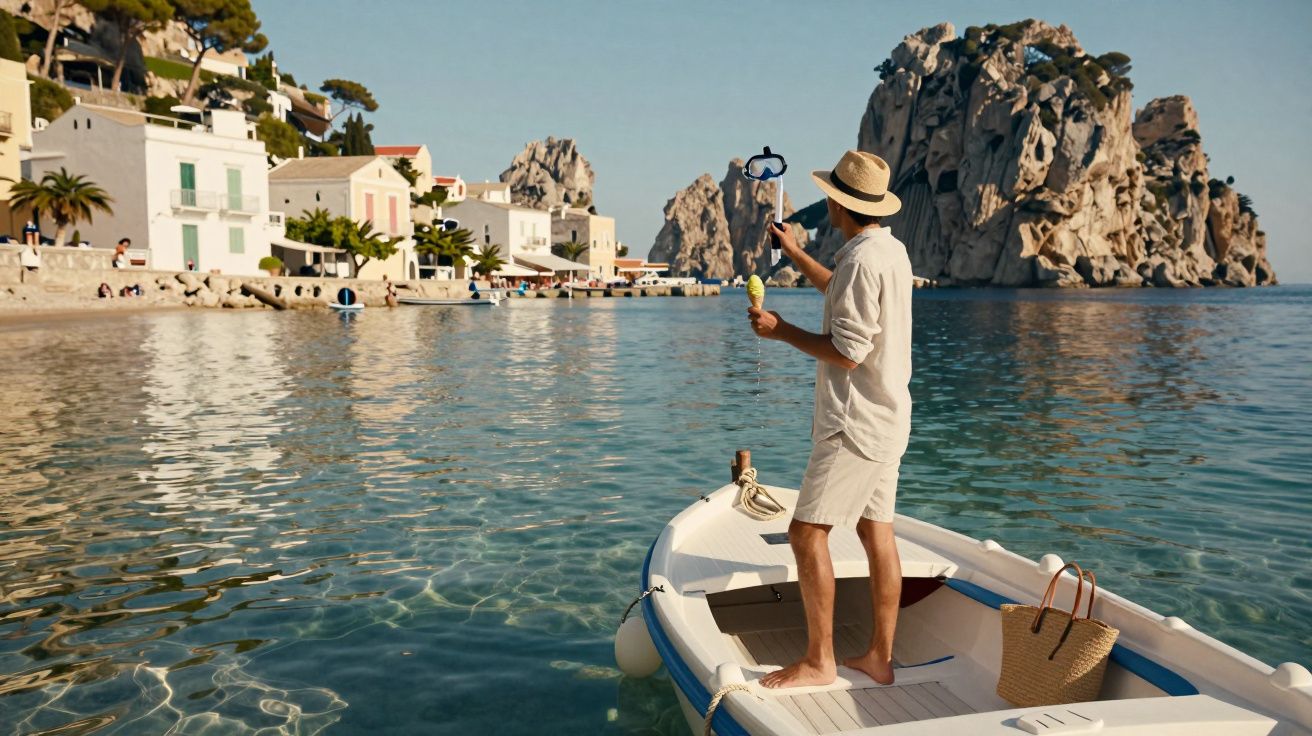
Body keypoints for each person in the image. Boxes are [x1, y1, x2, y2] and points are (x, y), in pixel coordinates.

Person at [749, 150, 913, 690]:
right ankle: (879, 657)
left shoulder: (861, 260)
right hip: (889, 419)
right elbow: (840, 294)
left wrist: (780, 330)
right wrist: (795, 251)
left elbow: (848, 351)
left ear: (840, 203)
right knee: (876, 531)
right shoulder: (887, 252)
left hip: (854, 423)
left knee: (805, 534)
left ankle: (820, 661)